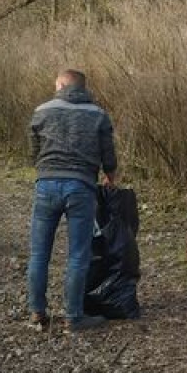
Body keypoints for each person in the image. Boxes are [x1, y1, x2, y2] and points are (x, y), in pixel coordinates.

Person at [27, 69, 118, 333]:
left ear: (60, 84)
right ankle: (73, 317)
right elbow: (107, 152)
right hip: (82, 186)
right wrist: (110, 174)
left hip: (47, 183)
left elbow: (33, 149)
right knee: (78, 255)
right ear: (83, 87)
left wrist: (44, 167)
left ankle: (37, 312)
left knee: (39, 253)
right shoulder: (98, 114)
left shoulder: (41, 110)